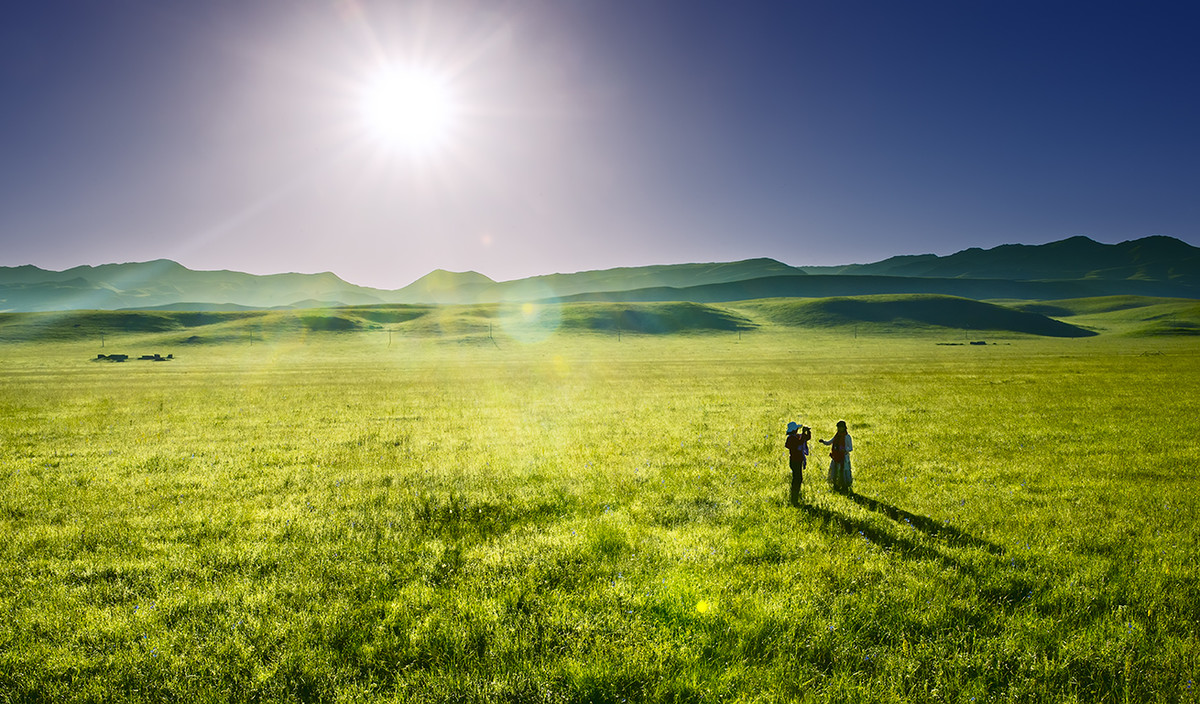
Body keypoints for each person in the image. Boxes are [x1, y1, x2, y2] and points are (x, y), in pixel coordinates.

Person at [819, 420, 853, 493]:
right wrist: (823, 442)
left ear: (844, 427)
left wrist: (844, 449)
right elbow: (830, 442)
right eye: (838, 427)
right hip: (836, 457)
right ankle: (836, 485)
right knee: (835, 471)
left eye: (841, 427)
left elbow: (850, 448)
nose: (840, 429)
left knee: (843, 471)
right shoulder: (837, 436)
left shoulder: (847, 437)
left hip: (843, 457)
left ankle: (845, 486)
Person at [784, 421, 811, 506]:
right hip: (795, 460)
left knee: (797, 478)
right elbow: (800, 442)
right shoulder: (791, 438)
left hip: (797, 460)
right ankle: (794, 497)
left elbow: (806, 438)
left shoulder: (795, 437)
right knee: (797, 478)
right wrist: (803, 433)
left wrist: (807, 432)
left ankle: (795, 496)